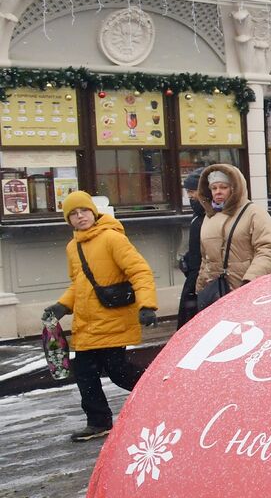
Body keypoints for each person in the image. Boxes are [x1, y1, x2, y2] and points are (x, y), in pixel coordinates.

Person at [42, 191, 159, 442]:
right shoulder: (73, 247)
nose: (80, 216)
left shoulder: (111, 239)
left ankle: (160, 395)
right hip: (86, 323)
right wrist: (62, 306)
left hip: (113, 318)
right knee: (84, 373)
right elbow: (79, 284)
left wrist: (147, 305)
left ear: (93, 212)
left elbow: (140, 271)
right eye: (73, 214)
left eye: (83, 210)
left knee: (117, 370)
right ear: (68, 220)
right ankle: (98, 422)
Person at [195, 164, 271, 299]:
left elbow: (267, 251)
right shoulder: (209, 217)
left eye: (223, 187)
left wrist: (249, 281)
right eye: (214, 188)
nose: (218, 192)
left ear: (235, 188)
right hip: (217, 293)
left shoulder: (254, 213)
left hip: (248, 292)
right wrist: (201, 288)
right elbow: (206, 259)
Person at [176, 169, 204, 328]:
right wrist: (188, 259)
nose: (190, 196)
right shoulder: (197, 216)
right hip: (194, 277)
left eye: (193, 191)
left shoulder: (211, 217)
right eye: (188, 192)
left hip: (202, 279)